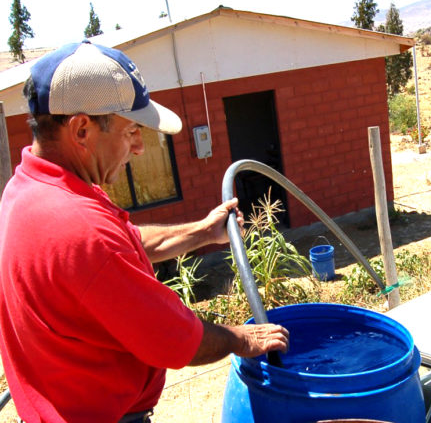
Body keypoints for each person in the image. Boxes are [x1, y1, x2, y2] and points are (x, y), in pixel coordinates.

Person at [0, 41, 289, 423]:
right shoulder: (77, 227)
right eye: (132, 130)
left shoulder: (29, 192)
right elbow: (172, 339)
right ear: (82, 129)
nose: (138, 148)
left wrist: (202, 232)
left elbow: (119, 249)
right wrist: (242, 338)